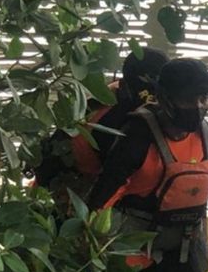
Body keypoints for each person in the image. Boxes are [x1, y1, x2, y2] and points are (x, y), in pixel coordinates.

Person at [87, 58, 208, 272]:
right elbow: (99, 204)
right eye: (189, 99)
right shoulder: (136, 138)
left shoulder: (204, 134)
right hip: (133, 260)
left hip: (184, 255)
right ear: (165, 99)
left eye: (203, 98)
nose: (198, 106)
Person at [32, 48, 168, 201]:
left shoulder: (117, 92)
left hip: (57, 173)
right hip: (66, 186)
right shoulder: (116, 117)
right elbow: (111, 179)